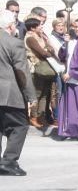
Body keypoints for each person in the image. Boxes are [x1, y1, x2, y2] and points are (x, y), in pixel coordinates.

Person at [0, 10, 37, 175]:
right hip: (9, 94)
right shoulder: (14, 43)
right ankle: (8, 161)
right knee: (20, 125)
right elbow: (22, 72)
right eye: (14, 24)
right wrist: (31, 96)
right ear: (10, 26)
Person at [22, 17, 58, 128]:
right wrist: (50, 51)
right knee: (37, 94)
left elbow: (50, 48)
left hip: (45, 69)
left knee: (45, 94)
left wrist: (49, 50)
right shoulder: (30, 38)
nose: (41, 26)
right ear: (32, 28)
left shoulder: (41, 36)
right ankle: (33, 116)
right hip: (37, 69)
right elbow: (43, 52)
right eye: (39, 25)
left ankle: (41, 117)